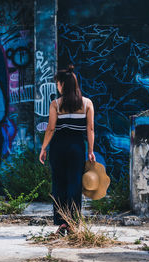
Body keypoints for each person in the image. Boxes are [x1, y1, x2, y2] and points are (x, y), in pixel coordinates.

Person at [39, 65, 95, 234]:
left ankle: (62, 222)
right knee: (75, 183)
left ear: (62, 84)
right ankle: (73, 222)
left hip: (59, 147)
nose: (57, 86)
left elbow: (50, 129)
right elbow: (90, 129)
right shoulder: (87, 104)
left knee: (59, 183)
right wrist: (91, 150)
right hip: (77, 147)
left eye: (58, 83)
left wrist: (43, 148)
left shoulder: (56, 104)